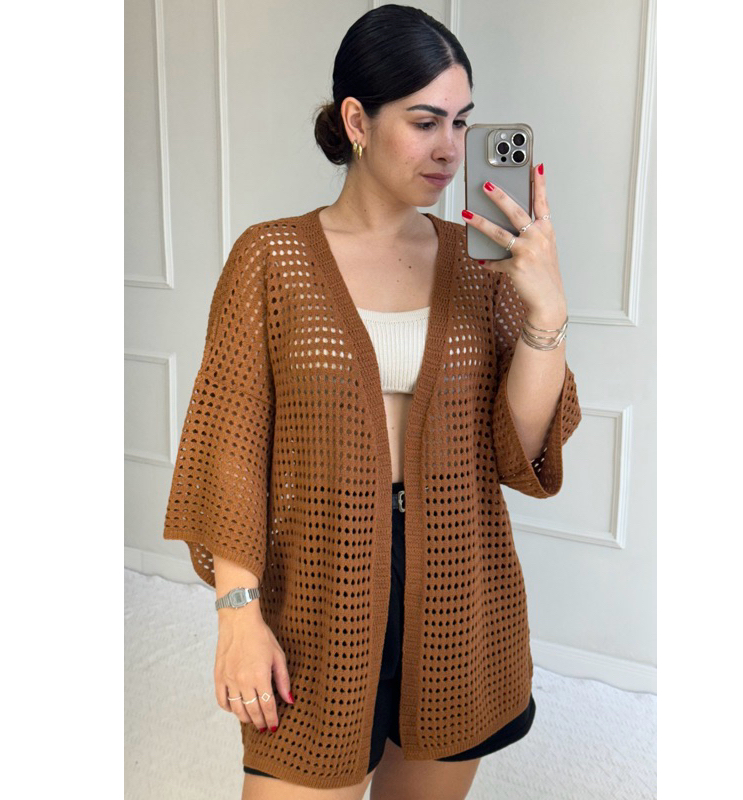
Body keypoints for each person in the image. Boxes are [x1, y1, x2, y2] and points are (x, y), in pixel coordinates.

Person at [163, 4, 581, 799]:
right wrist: (238, 613)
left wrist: (547, 315)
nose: (450, 148)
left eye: (461, 121)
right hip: (318, 588)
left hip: (459, 589)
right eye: (425, 122)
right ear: (357, 120)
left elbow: (518, 450)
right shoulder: (272, 257)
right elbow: (229, 449)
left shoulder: (480, 266)